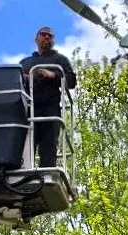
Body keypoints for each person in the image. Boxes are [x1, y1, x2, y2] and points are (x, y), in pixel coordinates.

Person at [20, 26, 76, 168]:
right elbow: (15, 82)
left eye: (50, 36)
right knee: (26, 147)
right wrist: (25, 78)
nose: (46, 37)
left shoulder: (59, 59)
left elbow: (71, 81)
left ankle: (47, 175)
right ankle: (25, 175)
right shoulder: (25, 62)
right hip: (28, 109)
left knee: (48, 147)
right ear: (36, 38)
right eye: (43, 34)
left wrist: (53, 75)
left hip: (50, 109)